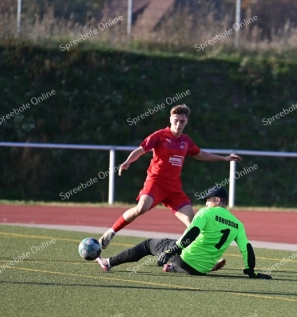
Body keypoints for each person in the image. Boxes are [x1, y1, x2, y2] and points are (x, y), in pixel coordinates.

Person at [100, 104, 242, 249]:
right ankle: (111, 232)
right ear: (170, 119)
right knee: (141, 208)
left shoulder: (186, 141)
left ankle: (194, 256)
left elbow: (200, 154)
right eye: (176, 120)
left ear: (186, 122)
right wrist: (128, 161)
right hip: (155, 183)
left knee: (193, 223)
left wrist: (224, 159)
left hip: (174, 189)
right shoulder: (159, 136)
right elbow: (141, 150)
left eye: (182, 121)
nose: (178, 124)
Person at [96, 187, 271, 279]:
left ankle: (109, 263)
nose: (206, 203)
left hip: (185, 258)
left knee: (148, 244)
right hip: (201, 270)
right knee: (175, 243)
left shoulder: (206, 212)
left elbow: (192, 233)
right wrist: (250, 272)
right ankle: (173, 268)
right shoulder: (238, 224)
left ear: (217, 200)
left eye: (208, 200)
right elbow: (246, 248)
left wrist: (172, 251)